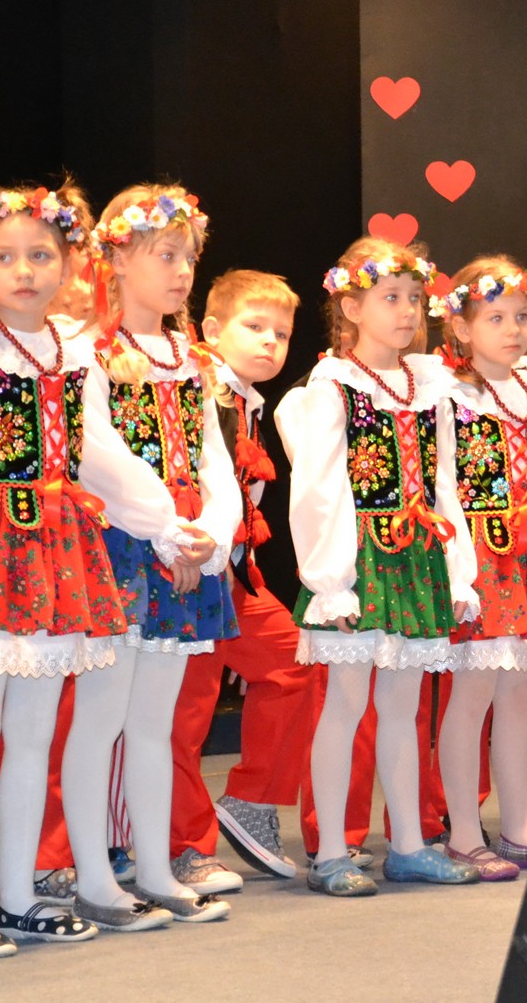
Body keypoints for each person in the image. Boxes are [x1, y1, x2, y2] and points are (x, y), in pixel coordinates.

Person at [0, 183, 179, 955]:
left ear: (68, 264)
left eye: (40, 254)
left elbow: (97, 451)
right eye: (5, 257)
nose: (25, 270)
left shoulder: (73, 351)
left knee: (33, 732)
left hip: (57, 553)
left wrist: (164, 523)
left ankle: (18, 893)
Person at [278, 240, 480, 895]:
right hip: (359, 555)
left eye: (415, 298)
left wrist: (458, 571)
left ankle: (410, 844)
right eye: (390, 297)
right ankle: (331, 851)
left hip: (417, 556)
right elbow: (318, 488)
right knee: (344, 704)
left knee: (403, 707)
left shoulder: (430, 387)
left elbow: (444, 484)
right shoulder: (334, 386)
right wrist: (332, 582)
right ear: (352, 307)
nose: (407, 311)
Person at [72, 185, 237, 927]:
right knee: (100, 717)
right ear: (116, 259)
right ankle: (93, 878)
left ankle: (154, 868)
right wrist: (168, 528)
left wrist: (213, 534)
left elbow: (214, 458)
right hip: (120, 548)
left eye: (188, 257)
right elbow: (96, 454)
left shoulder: (192, 359)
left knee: (153, 722)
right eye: (164, 255)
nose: (181, 271)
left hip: (183, 551)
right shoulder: (90, 352)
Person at [431, 259, 527, 878]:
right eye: (495, 317)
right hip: (481, 552)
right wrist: (459, 568)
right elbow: (444, 481)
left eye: (522, 316)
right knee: (472, 696)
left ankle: (519, 822)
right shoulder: (449, 394)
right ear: (461, 328)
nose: (513, 329)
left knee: (520, 692)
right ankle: (464, 832)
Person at [169, 269, 311, 887]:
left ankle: (251, 799)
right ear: (210, 329)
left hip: (235, 578)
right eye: (254, 327)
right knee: (186, 715)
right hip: (189, 573)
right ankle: (183, 845)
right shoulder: (196, 384)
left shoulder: (250, 403)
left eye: (281, 333)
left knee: (298, 661)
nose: (269, 342)